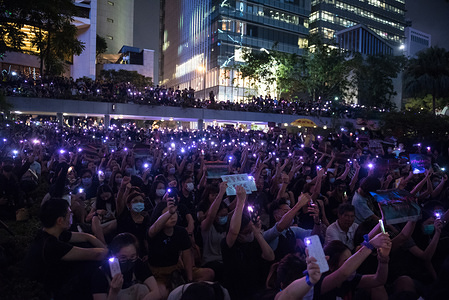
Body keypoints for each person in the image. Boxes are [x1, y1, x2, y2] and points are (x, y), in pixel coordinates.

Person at [24, 198, 108, 299]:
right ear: (60, 220)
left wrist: (104, 248)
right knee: (92, 267)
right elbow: (96, 255)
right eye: (69, 214)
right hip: (53, 291)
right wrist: (110, 252)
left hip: (57, 279)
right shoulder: (51, 245)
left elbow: (86, 236)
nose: (71, 216)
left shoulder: (49, 233)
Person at [148, 200, 214, 299]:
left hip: (177, 269)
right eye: (168, 213)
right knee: (162, 293)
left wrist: (190, 279)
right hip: (159, 273)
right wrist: (169, 212)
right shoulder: (154, 233)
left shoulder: (181, 232)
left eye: (174, 213)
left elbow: (187, 255)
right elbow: (153, 229)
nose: (172, 216)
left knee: (209, 273)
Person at [221, 185, 275, 300]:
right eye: (246, 232)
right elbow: (233, 231)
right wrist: (240, 201)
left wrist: (257, 233)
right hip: (237, 289)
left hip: (257, 288)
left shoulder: (254, 241)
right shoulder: (229, 244)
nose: (248, 234)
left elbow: (270, 256)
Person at [91, 233, 161, 300]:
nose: (128, 261)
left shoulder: (137, 263)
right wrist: (113, 292)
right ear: (113, 255)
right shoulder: (100, 273)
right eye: (123, 257)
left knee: (143, 289)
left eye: (132, 256)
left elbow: (156, 293)